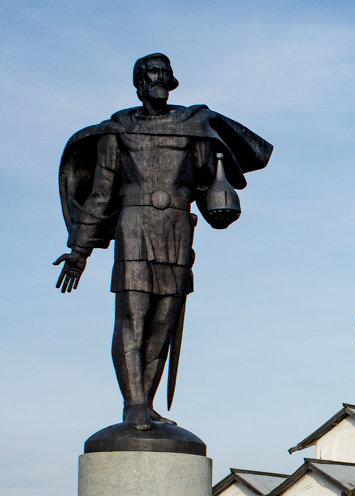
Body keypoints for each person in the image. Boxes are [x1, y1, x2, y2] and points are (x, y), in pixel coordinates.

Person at [54, 53, 272, 431]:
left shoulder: (194, 127)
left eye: (164, 73)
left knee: (162, 324)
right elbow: (102, 194)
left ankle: (148, 401)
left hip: (176, 230)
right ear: (138, 83)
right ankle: (133, 403)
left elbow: (208, 184)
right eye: (151, 73)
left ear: (172, 81)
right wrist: (79, 250)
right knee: (133, 318)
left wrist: (220, 199)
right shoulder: (117, 131)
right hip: (133, 228)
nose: (159, 79)